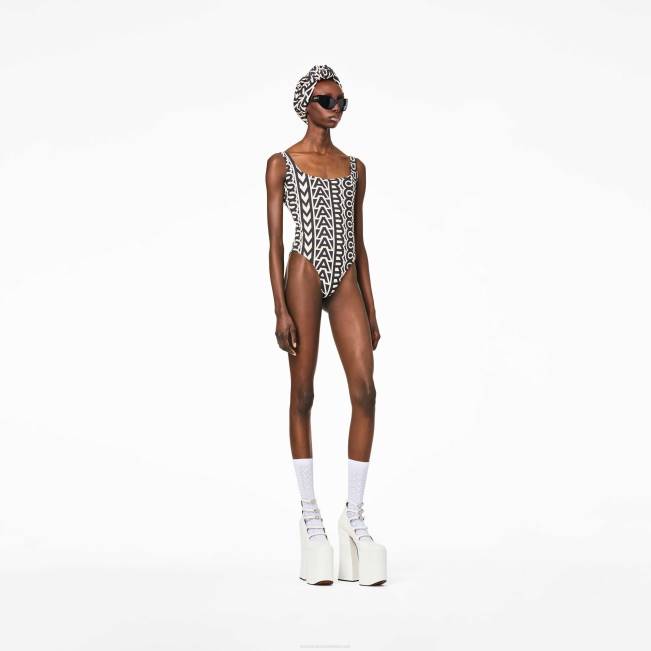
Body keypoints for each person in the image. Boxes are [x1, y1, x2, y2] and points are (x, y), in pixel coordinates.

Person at [265, 64, 387, 586]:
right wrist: (280, 308)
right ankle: (310, 517)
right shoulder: (283, 163)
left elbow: (359, 240)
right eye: (326, 100)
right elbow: (274, 242)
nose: (336, 109)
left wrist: (372, 307)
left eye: (341, 101)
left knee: (365, 390)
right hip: (304, 271)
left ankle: (353, 517)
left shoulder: (355, 167)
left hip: (347, 277)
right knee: (303, 392)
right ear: (305, 105)